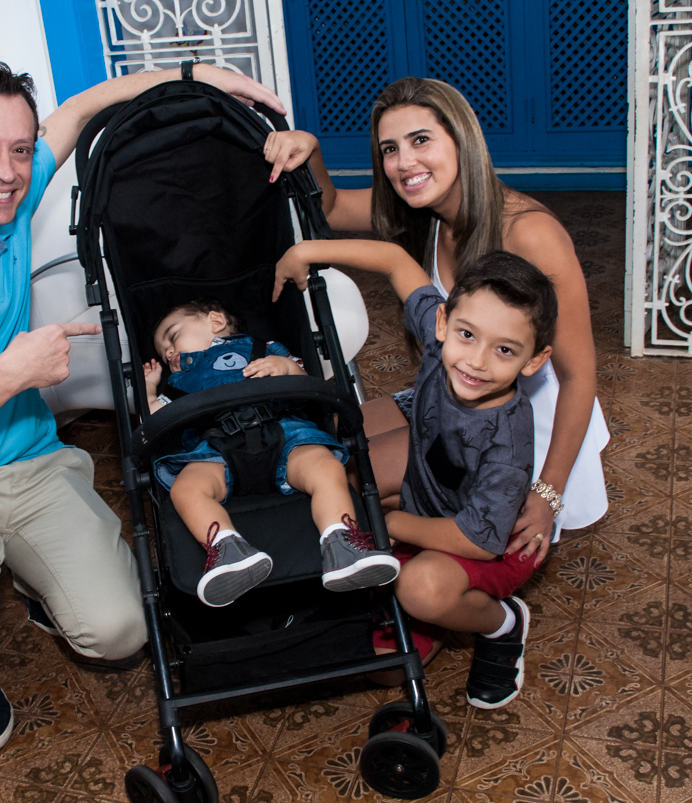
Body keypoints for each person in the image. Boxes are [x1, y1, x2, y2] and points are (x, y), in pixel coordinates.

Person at [0, 60, 285, 755]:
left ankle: (35, 575)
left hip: (30, 462)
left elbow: (85, 104)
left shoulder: (7, 208)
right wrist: (8, 372)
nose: (8, 169)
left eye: (21, 149)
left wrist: (202, 77)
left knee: (120, 633)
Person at [265, 76, 609, 570]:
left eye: (421, 140)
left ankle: (415, 546)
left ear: (462, 139)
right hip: (452, 397)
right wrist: (311, 148)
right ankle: (403, 524)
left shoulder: (531, 233)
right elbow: (333, 207)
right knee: (330, 432)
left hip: (516, 427)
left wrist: (547, 492)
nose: (405, 162)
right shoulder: (422, 212)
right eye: (390, 148)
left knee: (347, 472)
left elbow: (578, 376)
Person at [276, 244, 556, 708]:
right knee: (334, 459)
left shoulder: (507, 439)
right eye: (467, 335)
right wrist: (306, 250)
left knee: (419, 590)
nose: (477, 361)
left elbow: (480, 540)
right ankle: (421, 604)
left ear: (532, 361)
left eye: (504, 350)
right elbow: (395, 261)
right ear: (443, 323)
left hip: (491, 542)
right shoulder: (439, 335)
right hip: (430, 494)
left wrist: (389, 523)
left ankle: (502, 625)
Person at [143, 299, 399, 607]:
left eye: (172, 337)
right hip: (214, 450)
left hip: (284, 434)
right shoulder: (177, 382)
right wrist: (148, 393)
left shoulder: (264, 348)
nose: (169, 352)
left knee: (326, 467)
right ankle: (228, 550)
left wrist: (287, 368)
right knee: (184, 490)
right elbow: (154, 424)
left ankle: (342, 544)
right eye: (163, 352)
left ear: (215, 321)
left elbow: (308, 388)